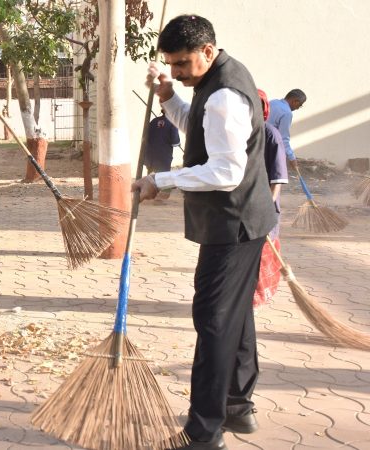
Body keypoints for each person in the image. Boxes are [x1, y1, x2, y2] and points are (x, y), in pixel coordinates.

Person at [133, 15, 277, 450]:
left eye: (180, 64)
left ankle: (203, 431)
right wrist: (167, 96)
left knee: (213, 322)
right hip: (243, 221)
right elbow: (196, 131)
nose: (175, 70)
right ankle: (237, 406)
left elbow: (225, 171)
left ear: (208, 51)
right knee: (235, 316)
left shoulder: (224, 97)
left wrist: (160, 181)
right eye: (170, 64)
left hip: (231, 224)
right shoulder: (214, 83)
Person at [254, 89, 288, 308]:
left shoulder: (270, 134)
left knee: (262, 256)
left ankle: (256, 300)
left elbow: (276, 179)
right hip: (242, 209)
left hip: (264, 208)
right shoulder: (237, 133)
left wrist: (265, 210)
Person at [145, 108, 181, 199]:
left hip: (149, 155)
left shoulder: (153, 121)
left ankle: (149, 193)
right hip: (163, 155)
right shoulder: (173, 123)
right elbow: (175, 142)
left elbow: (146, 137)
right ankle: (162, 197)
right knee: (164, 174)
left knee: (151, 173)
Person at [268, 89, 307, 170]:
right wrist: (292, 158)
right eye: (300, 105)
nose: (298, 108)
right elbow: (283, 139)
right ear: (295, 101)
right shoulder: (287, 113)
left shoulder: (272, 102)